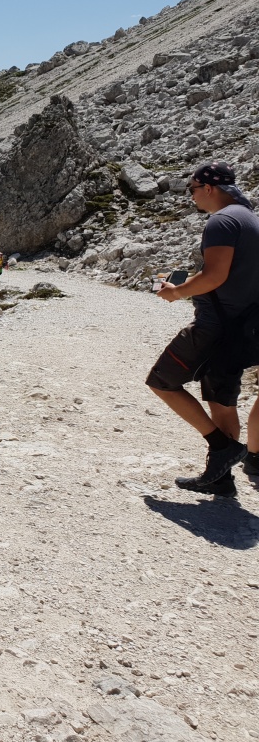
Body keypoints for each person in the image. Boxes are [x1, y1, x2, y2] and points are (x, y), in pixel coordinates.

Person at [148, 162, 259, 497]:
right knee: (222, 400)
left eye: (192, 190)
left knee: (162, 381)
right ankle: (221, 478)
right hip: (242, 326)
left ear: (209, 187)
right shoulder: (251, 219)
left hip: (214, 327)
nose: (192, 197)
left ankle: (220, 448)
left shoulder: (222, 221)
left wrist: (177, 291)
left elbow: (214, 276)